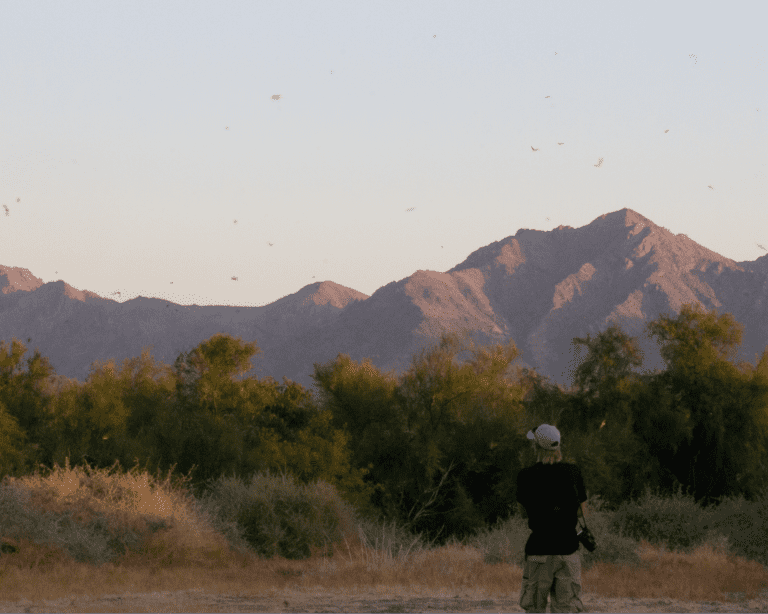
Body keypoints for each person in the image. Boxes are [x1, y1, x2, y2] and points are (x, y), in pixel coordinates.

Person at [516, 424, 588, 613]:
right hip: (568, 550)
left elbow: (523, 513)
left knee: (534, 609)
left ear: (537, 448)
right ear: (558, 447)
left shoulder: (525, 476)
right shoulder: (574, 472)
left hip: (538, 551)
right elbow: (582, 512)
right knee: (567, 609)